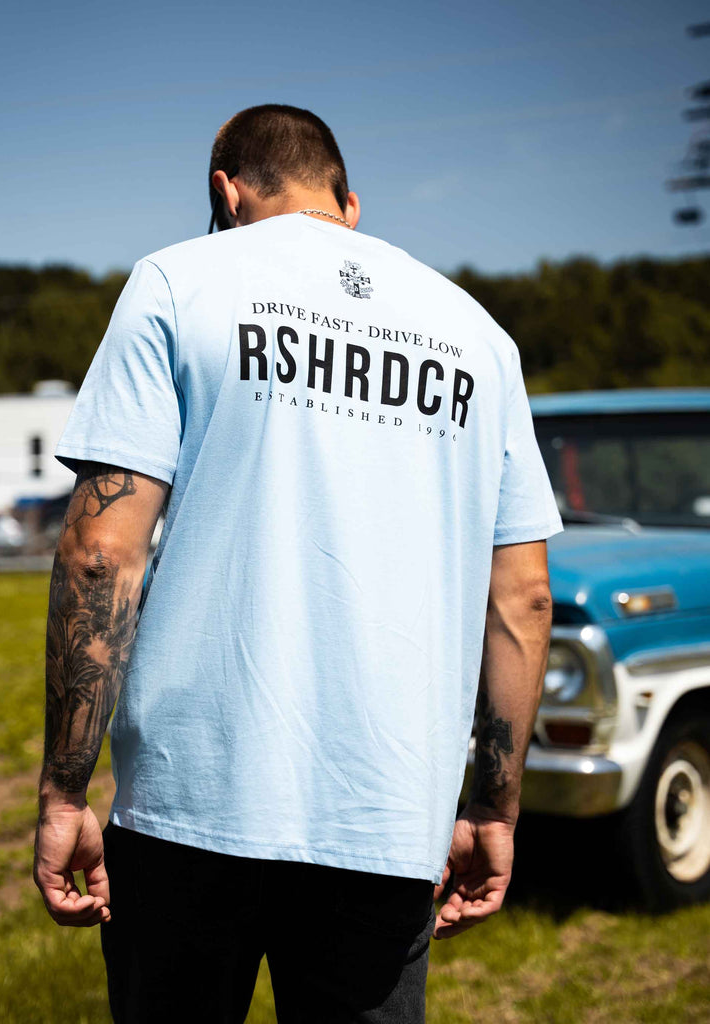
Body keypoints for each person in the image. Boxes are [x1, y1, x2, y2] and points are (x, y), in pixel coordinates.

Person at [33, 104, 562, 1023]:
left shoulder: (177, 283)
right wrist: (493, 809)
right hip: (387, 811)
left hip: (189, 808)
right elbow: (522, 599)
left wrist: (63, 792)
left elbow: (99, 555)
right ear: (348, 202)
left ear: (225, 193)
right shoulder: (479, 336)